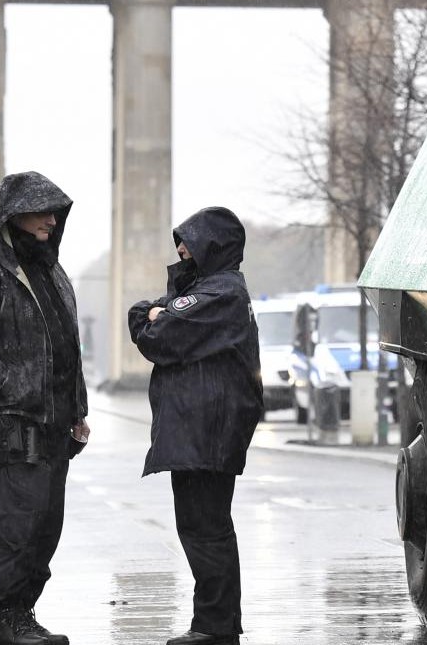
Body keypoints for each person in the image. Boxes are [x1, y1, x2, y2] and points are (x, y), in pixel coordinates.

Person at [0, 172, 90, 645]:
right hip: (17, 418)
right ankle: (7, 619)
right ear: (16, 216)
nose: (51, 220)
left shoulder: (50, 267)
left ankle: (24, 612)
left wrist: (78, 409)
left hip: (56, 420)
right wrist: (9, 388)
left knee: (47, 524)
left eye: (55, 212)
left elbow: (67, 342)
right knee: (18, 522)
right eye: (42, 211)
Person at [128, 206, 264, 645]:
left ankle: (214, 626)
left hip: (207, 429)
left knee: (206, 528)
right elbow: (144, 316)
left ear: (213, 246)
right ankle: (214, 622)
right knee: (202, 527)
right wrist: (155, 312)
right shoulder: (212, 291)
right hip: (199, 428)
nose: (181, 250)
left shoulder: (221, 294)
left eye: (188, 242)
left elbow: (158, 336)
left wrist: (157, 316)